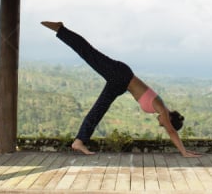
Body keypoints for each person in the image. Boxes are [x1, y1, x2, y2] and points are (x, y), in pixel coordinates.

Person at [41, 21, 201, 157]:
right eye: (163, 124)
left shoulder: (161, 109)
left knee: (99, 109)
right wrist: (184, 152)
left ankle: (79, 141)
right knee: (90, 54)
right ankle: (61, 29)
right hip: (121, 76)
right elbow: (172, 132)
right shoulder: (162, 110)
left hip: (120, 83)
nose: (160, 124)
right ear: (170, 120)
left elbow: (171, 129)